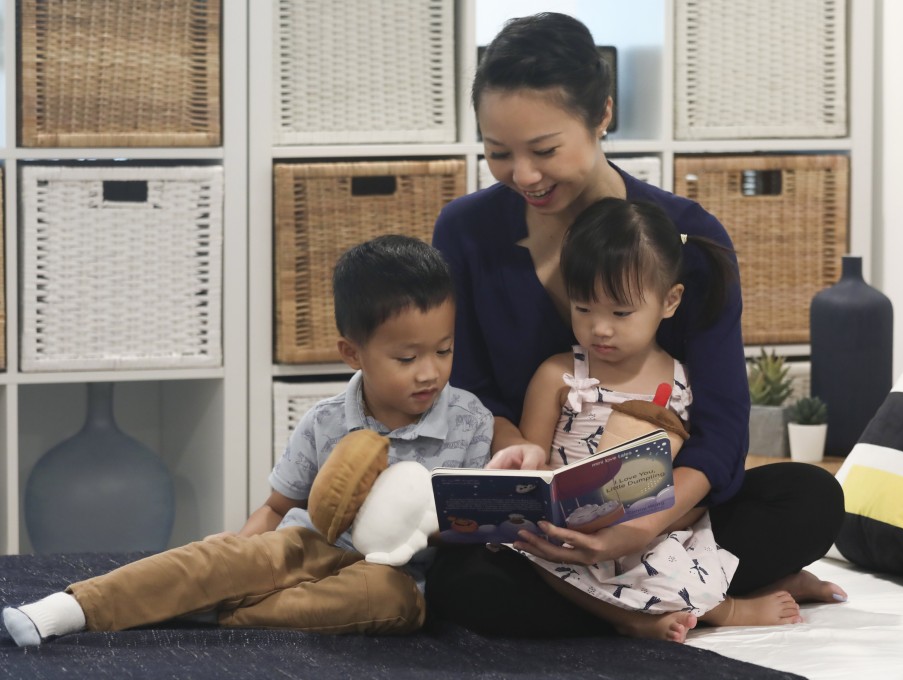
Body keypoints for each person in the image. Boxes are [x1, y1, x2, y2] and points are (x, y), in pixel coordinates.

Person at [426, 12, 846, 638]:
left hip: (670, 513)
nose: (524, 176)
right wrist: (522, 462)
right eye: (497, 152)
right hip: (536, 508)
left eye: (544, 150)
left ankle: (639, 590)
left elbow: (724, 422)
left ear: (602, 116)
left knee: (811, 500)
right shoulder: (465, 232)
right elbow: (471, 389)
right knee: (460, 586)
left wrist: (640, 526)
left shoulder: (685, 235)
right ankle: (701, 591)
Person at [2, 235, 493, 646]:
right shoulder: (325, 421)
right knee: (223, 559)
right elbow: (278, 507)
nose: (430, 372)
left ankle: (218, 615)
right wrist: (240, 550)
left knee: (391, 600)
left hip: (390, 572)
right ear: (352, 353)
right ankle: (69, 608)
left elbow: (463, 535)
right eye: (406, 359)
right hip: (304, 543)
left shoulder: (469, 421)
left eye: (444, 350)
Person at [508, 197, 801, 643]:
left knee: (683, 549)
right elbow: (531, 465)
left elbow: (694, 471)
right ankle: (631, 617)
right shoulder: (557, 374)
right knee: (524, 555)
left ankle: (730, 606)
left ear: (670, 301)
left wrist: (643, 526)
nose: (600, 328)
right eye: (583, 308)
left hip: (652, 526)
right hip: (567, 532)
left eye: (621, 313)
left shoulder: (683, 379)